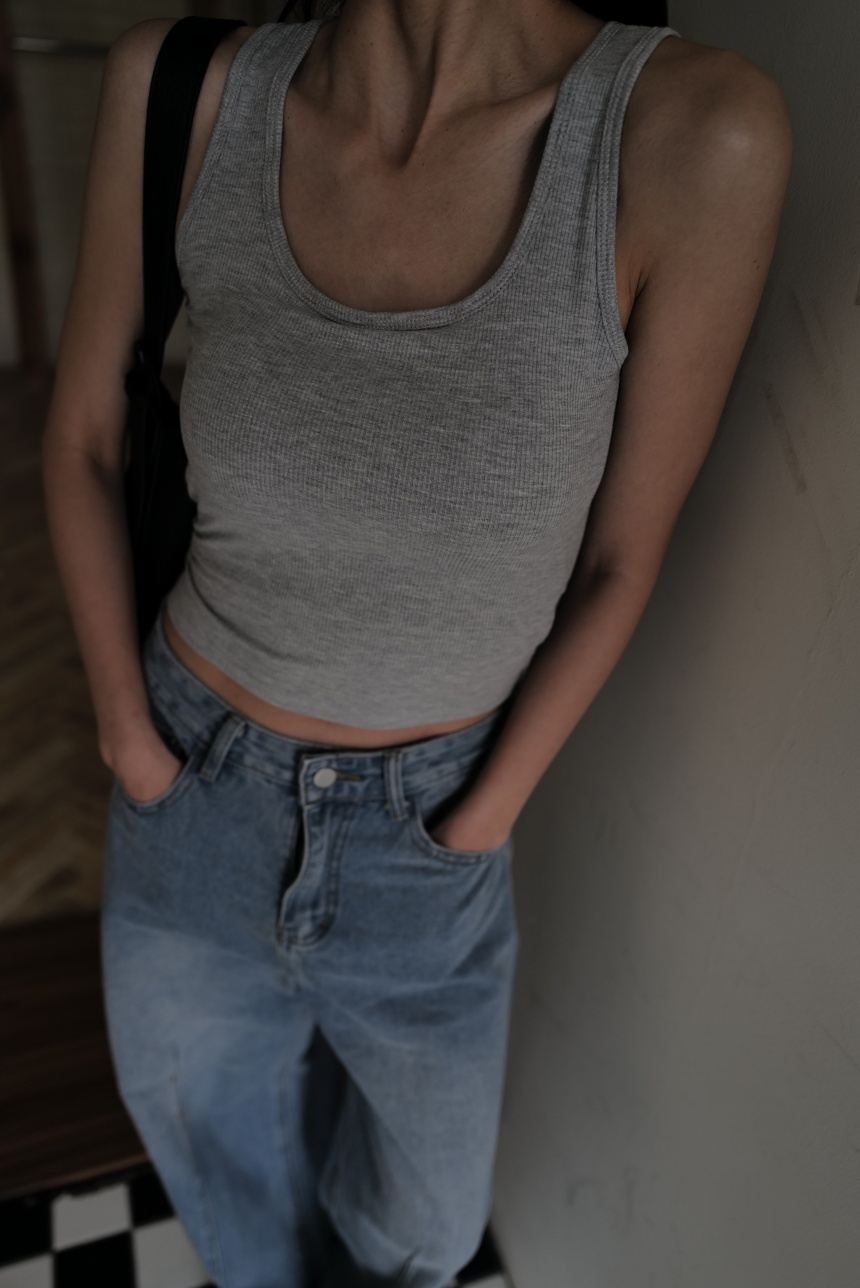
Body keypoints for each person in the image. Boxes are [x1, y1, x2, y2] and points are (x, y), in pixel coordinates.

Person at [40, 0, 791, 1283]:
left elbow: (618, 561)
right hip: (186, 780)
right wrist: (129, 735)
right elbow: (82, 440)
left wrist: (477, 819)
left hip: (430, 835)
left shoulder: (694, 132)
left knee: (419, 1239)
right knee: (225, 1183)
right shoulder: (183, 91)